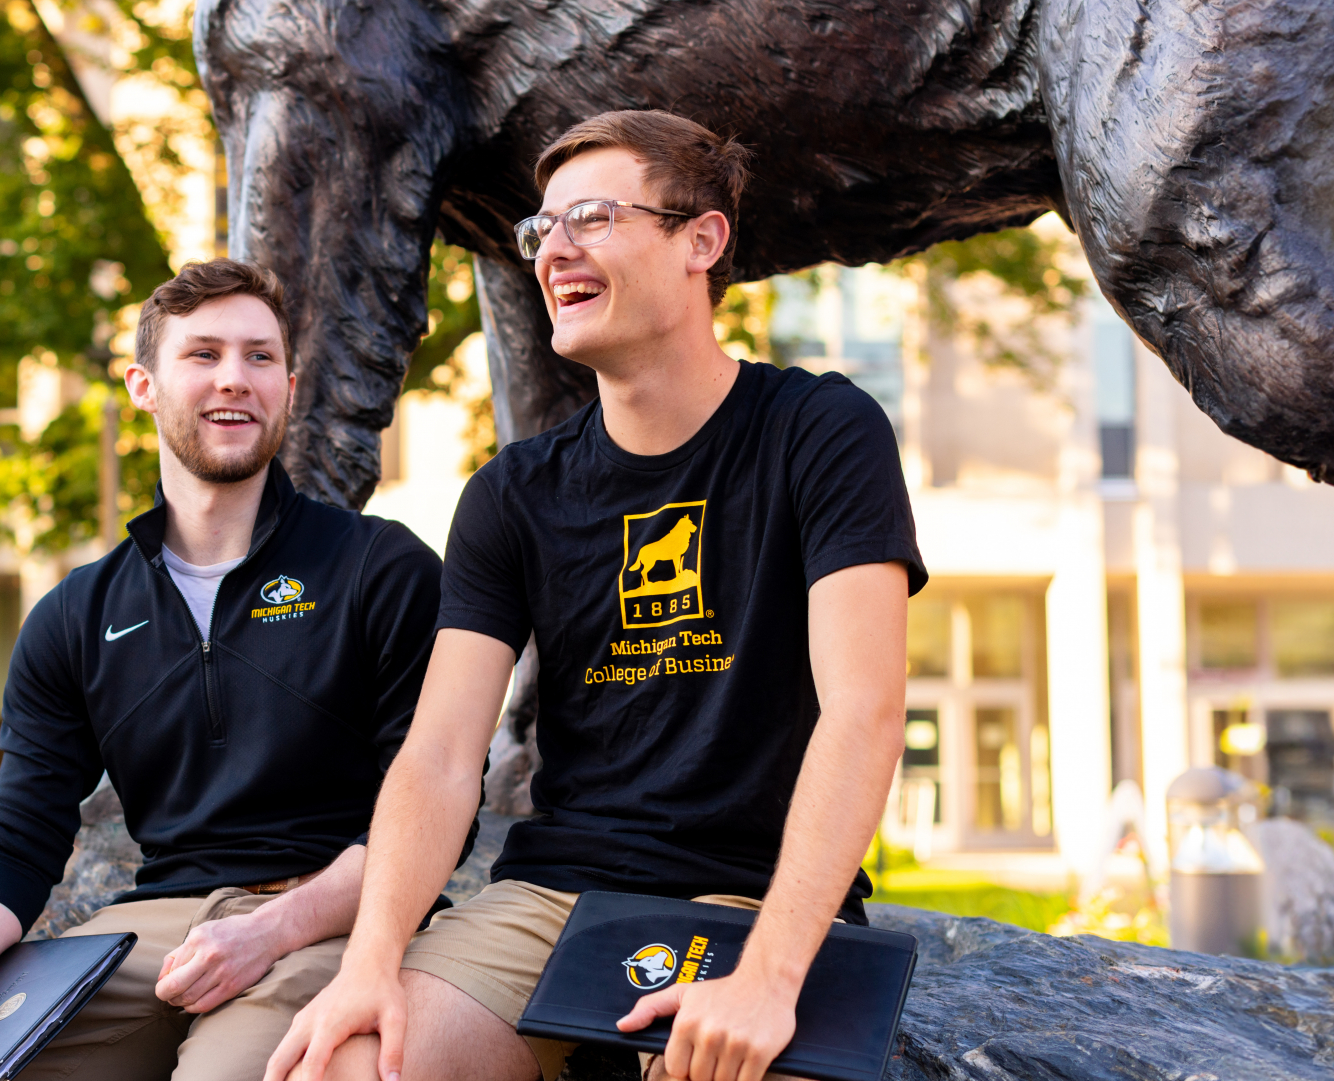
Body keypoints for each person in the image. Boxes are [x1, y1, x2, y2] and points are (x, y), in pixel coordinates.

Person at [262, 110, 925, 1081]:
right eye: (542, 230)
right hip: (549, 896)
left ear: (701, 240)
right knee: (349, 1065)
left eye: (595, 217)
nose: (553, 250)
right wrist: (369, 963)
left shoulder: (822, 430)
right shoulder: (509, 493)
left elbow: (865, 710)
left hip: (747, 899)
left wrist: (770, 975)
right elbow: (442, 756)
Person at [0, 258, 446, 1081]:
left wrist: (272, 928)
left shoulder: (380, 568)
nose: (234, 379)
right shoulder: (76, 613)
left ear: (289, 382)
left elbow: (428, 810)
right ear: (143, 385)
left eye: (259, 357)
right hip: (156, 929)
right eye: (202, 355)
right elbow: (22, 836)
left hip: (331, 917)